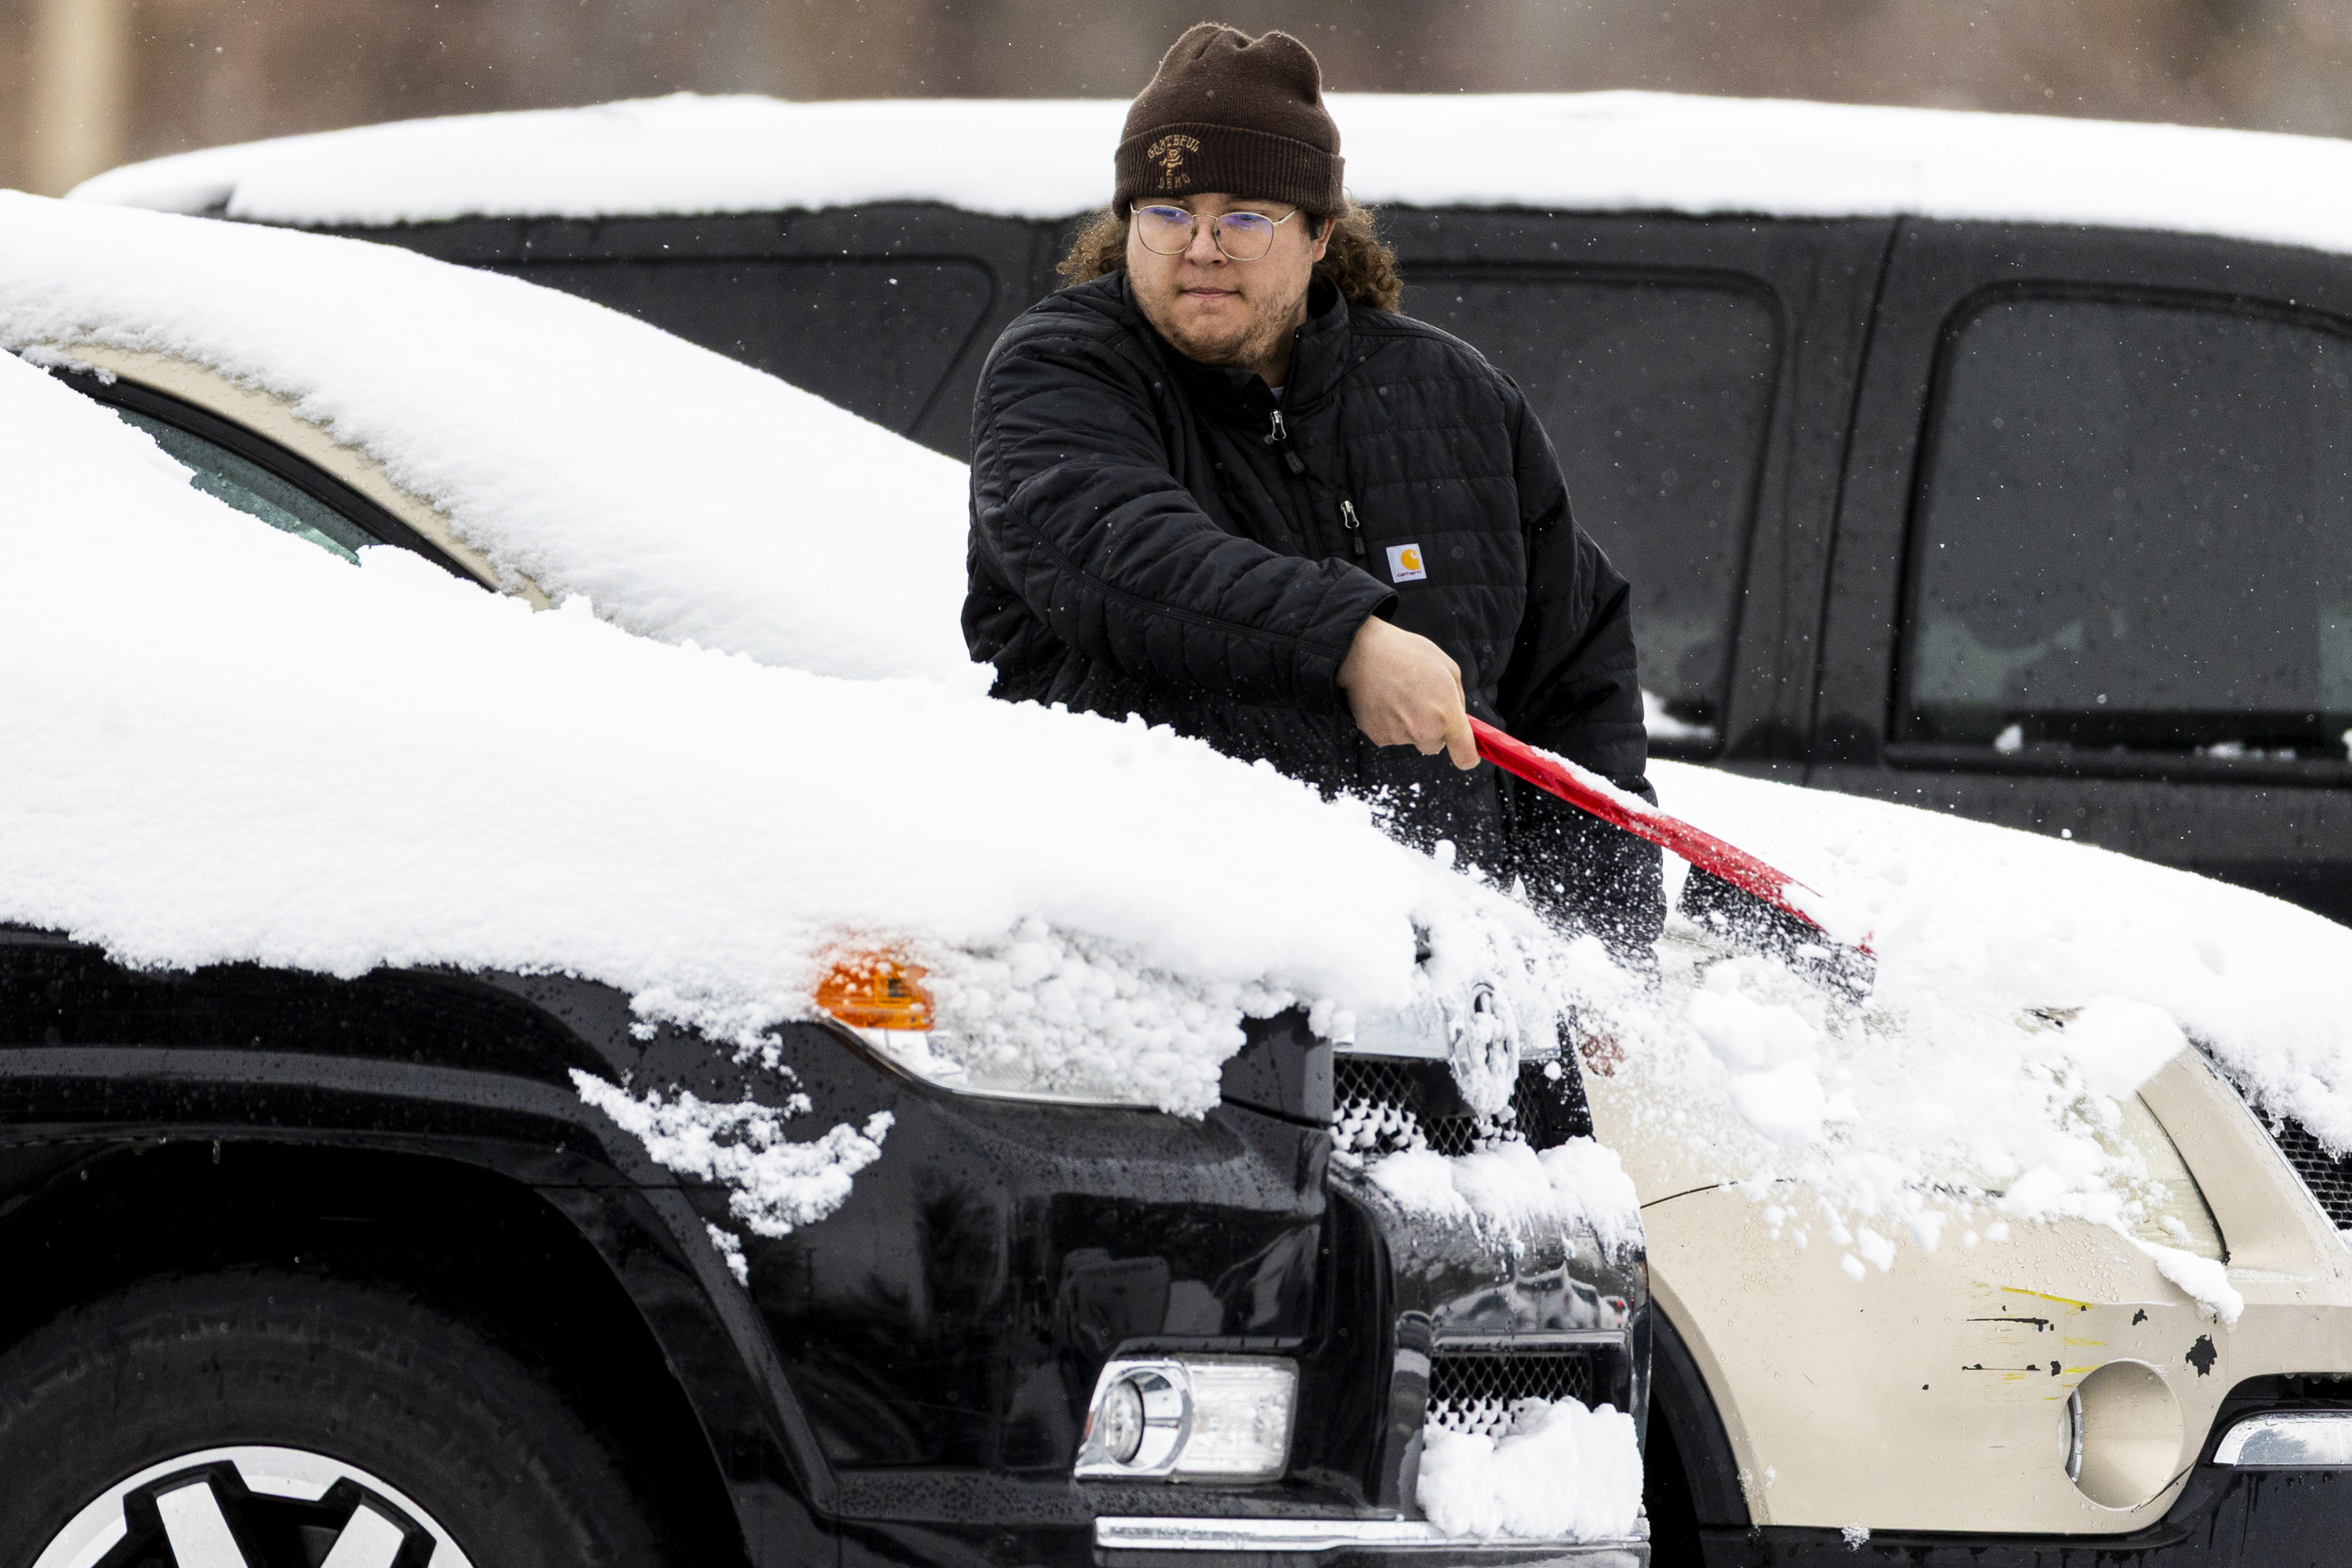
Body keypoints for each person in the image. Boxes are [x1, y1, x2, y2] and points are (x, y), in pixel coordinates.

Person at [964, 22, 1663, 963]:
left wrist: (1604, 954)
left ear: (1320, 232)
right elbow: (1118, 552)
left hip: (1445, 982)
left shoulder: (1455, 397)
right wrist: (1347, 641)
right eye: (1168, 214)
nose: (1201, 248)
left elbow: (1576, 687)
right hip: (1173, 970)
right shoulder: (1061, 368)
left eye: (1244, 218)